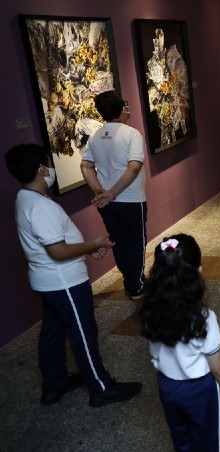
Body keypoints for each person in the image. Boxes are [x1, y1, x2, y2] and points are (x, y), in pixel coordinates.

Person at [5, 143, 142, 408]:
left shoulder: (25, 198)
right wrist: (93, 245)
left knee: (53, 332)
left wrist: (87, 250)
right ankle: (101, 387)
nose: (51, 169)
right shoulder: (40, 207)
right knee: (83, 332)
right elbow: (57, 251)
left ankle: (55, 383)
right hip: (64, 282)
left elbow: (57, 245)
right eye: (48, 164)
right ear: (40, 169)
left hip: (48, 281)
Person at [139, 234, 220, 451]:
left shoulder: (149, 310)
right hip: (201, 390)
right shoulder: (203, 317)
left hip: (167, 386)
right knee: (212, 442)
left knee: (181, 439)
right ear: (199, 272)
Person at [80, 90, 148, 300]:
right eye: (125, 106)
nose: (128, 109)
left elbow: (85, 166)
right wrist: (110, 193)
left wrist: (99, 191)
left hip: (108, 203)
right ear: (121, 109)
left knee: (119, 240)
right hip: (131, 199)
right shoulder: (132, 134)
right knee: (137, 241)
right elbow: (134, 168)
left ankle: (130, 279)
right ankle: (135, 286)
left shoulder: (95, 136)